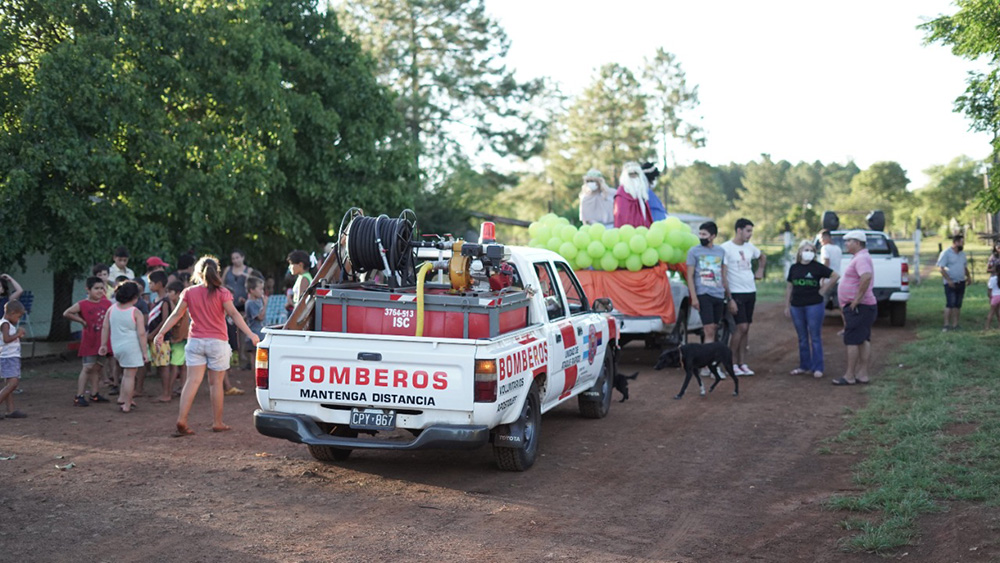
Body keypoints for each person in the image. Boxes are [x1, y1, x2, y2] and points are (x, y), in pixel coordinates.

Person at [153, 256, 260, 437]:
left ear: (197, 272)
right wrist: (251, 334)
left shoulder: (189, 292)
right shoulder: (223, 292)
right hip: (217, 342)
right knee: (215, 383)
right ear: (216, 272)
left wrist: (161, 333)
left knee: (192, 381)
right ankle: (217, 422)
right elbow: (234, 314)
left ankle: (182, 419)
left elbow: (176, 315)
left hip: (195, 341)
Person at [785, 241, 839, 378]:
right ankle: (804, 366)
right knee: (802, 337)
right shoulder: (794, 268)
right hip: (797, 305)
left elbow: (835, 276)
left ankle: (818, 367)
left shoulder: (817, 267)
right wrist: (787, 305)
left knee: (815, 336)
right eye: (806, 249)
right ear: (800, 252)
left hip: (814, 304)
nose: (808, 252)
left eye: (811, 250)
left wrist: (824, 289)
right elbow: (790, 286)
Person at [720, 218, 766, 376]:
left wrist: (760, 270)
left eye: (751, 231)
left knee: (746, 329)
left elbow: (762, 256)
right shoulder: (725, 248)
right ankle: (730, 363)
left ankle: (742, 363)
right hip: (736, 293)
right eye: (748, 231)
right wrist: (729, 297)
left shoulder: (750, 247)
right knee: (741, 327)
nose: (750, 234)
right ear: (738, 230)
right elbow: (723, 274)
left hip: (750, 292)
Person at [832, 230, 877, 386]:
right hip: (863, 306)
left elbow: (866, 276)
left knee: (852, 339)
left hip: (860, 307)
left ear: (857, 243)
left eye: (848, 241)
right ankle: (862, 374)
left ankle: (850, 375)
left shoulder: (862, 258)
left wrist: (857, 299)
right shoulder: (861, 257)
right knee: (862, 338)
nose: (846, 244)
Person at [63, 277, 112, 407]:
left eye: (102, 288)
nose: (100, 291)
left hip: (102, 340)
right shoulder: (83, 304)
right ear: (88, 289)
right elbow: (67, 313)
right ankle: (79, 396)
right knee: (87, 367)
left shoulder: (107, 304)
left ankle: (94, 394)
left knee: (98, 367)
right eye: (96, 288)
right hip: (90, 339)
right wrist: (82, 321)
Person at [99, 281, 147, 413]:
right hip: (132, 347)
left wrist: (103, 345)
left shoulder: (112, 309)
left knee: (125, 374)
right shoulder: (135, 312)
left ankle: (124, 398)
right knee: (129, 376)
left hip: (117, 347)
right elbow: (141, 334)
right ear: (135, 297)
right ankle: (127, 403)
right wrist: (145, 352)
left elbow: (105, 327)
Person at [686, 221, 729, 344]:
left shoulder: (721, 251)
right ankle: (706, 361)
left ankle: (711, 359)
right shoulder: (693, 252)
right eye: (700, 234)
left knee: (714, 328)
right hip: (703, 294)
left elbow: (723, 273)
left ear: (713, 236)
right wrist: (694, 297)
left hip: (718, 294)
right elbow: (690, 276)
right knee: (708, 329)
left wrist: (727, 293)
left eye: (704, 234)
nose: (701, 237)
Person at [146, 271, 175, 402]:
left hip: (162, 338)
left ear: (158, 284)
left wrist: (155, 333)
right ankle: (165, 392)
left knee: (164, 366)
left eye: (151, 283)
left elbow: (165, 320)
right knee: (161, 366)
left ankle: (166, 393)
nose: (149, 285)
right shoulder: (156, 300)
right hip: (156, 337)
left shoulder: (164, 302)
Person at [0, 300, 28, 419]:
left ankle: (10, 410)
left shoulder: (6, 323)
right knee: (13, 384)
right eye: (18, 316)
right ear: (12, 313)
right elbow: (6, 339)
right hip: (9, 357)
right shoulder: (5, 324)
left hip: (9, 357)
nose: (18, 319)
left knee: (9, 384)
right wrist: (18, 334)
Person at [937, 234, 970, 331]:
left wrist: (968, 276)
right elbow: (941, 268)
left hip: (961, 281)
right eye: (961, 242)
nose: (963, 244)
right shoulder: (946, 253)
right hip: (951, 283)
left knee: (958, 304)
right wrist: (948, 280)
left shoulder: (962, 254)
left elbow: (964, 267)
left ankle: (955, 324)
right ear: (955, 242)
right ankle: (946, 325)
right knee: (950, 303)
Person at [164, 280, 189, 396]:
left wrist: (178, 339)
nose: (168, 294)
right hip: (184, 340)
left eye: (170, 292)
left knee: (174, 367)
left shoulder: (180, 307)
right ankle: (183, 389)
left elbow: (183, 325)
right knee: (183, 367)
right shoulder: (180, 305)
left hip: (180, 340)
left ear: (178, 293)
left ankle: (168, 393)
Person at [613, 161, 653, 228]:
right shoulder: (622, 191)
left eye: (636, 174)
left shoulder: (642, 191)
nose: (634, 176)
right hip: (628, 229)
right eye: (631, 174)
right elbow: (620, 214)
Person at [243, 277, 267, 368]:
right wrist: (265, 305)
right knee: (256, 359)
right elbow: (260, 317)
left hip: (260, 334)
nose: (262, 291)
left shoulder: (258, 301)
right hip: (254, 334)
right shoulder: (250, 303)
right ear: (252, 290)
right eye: (260, 289)